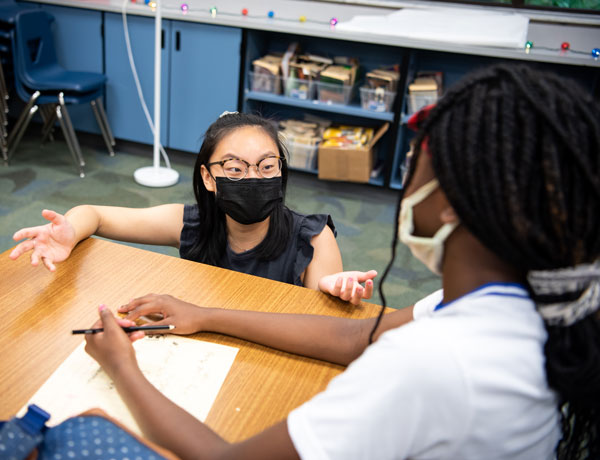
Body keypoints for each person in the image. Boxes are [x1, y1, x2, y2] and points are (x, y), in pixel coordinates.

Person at [84, 63, 599, 459]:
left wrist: (121, 366)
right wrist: (205, 314)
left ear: (448, 201)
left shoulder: (428, 365)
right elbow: (357, 336)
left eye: (414, 162)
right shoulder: (518, 304)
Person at [9, 112, 376, 304]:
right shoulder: (192, 223)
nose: (252, 178)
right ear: (208, 177)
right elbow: (97, 214)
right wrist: (70, 231)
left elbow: (326, 330)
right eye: (234, 169)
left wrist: (331, 292)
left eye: (267, 166)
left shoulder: (314, 240)